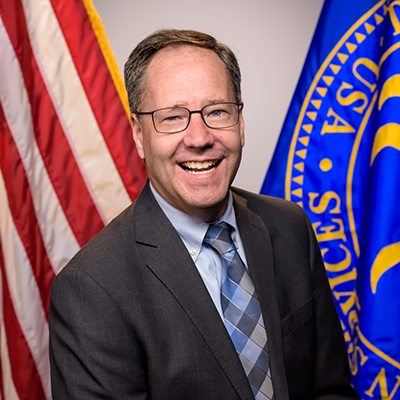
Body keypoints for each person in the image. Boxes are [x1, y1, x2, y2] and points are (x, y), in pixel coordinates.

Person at [49, 29, 360, 400]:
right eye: (172, 117)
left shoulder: (290, 227)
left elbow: (330, 390)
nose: (199, 138)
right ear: (138, 134)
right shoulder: (91, 289)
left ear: (240, 122)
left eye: (216, 112)